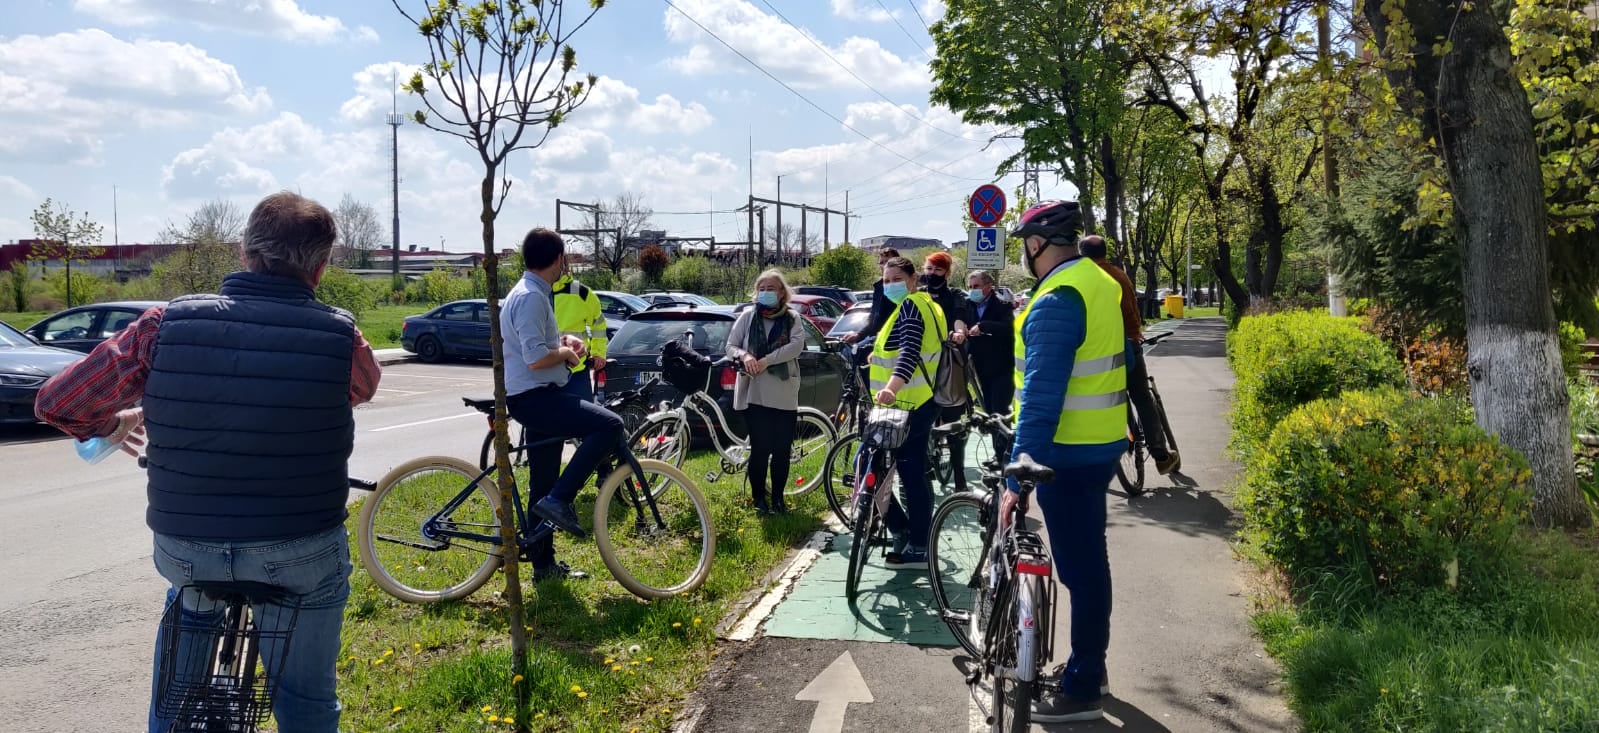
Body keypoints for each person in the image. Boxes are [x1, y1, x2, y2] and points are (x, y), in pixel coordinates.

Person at [33, 191, 383, 733]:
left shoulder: (160, 324)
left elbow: (57, 402)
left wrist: (110, 424)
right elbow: (362, 389)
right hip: (297, 546)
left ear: (244, 251)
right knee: (307, 702)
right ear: (320, 267)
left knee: (180, 668)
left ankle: (174, 709)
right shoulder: (342, 335)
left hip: (188, 545)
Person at [1001, 201, 1127, 723]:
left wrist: (1018, 472)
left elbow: (1043, 395)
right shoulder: (1100, 282)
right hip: (1098, 446)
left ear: (1035, 245)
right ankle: (1089, 667)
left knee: (1080, 568)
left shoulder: (1057, 297)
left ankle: (1081, 688)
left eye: (1023, 247)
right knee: (1088, 563)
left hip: (1065, 454)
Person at [503, 227, 625, 580]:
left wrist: (563, 341)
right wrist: (567, 353)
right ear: (558, 259)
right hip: (536, 398)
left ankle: (543, 564)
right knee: (610, 425)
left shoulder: (530, 292)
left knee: (542, 481)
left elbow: (539, 343)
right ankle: (561, 500)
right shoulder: (531, 296)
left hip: (537, 396)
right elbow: (536, 357)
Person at [868, 256, 947, 569]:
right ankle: (911, 537)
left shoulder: (912, 306)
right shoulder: (929, 305)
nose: (890, 285)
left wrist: (891, 387)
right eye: (885, 280)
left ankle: (912, 539)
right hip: (920, 401)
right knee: (912, 472)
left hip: (905, 403)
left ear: (914, 278)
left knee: (889, 469)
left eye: (896, 278)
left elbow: (910, 353)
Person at [1078, 236, 1180, 474]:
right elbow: (1131, 311)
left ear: (1082, 255)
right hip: (1124, 346)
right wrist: (1135, 334)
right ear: (1104, 252)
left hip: (1092, 351)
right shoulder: (1118, 276)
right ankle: (1161, 455)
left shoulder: (1081, 280)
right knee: (1142, 398)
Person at [725, 270, 807, 515]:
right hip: (755, 391)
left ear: (782, 292)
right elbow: (731, 346)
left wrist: (767, 360)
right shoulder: (748, 317)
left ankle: (779, 499)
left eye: (771, 288)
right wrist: (745, 355)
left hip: (783, 392)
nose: (766, 292)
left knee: (781, 449)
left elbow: (796, 346)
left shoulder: (792, 318)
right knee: (760, 449)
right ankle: (759, 498)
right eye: (762, 288)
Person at [920, 251, 973, 491]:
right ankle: (925, 467)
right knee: (920, 421)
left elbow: (960, 317)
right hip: (922, 365)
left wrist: (959, 332)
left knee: (953, 423)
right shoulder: (917, 295)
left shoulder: (955, 296)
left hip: (947, 363)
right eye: (929, 269)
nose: (932, 274)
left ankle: (960, 477)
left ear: (947, 273)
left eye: (938, 270)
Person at [965, 269, 1015, 451]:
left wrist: (984, 326)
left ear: (988, 286)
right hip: (981, 366)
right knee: (988, 410)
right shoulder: (968, 305)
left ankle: (1004, 454)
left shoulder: (1002, 304)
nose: (972, 290)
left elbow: (1009, 328)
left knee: (999, 411)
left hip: (1002, 366)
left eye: (976, 286)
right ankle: (998, 452)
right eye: (970, 287)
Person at [551, 262, 609, 401]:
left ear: (565, 267)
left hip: (575, 369)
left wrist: (598, 353)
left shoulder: (581, 292)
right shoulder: (536, 292)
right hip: (546, 369)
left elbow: (598, 323)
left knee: (582, 420)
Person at [841, 247, 901, 347]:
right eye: (882, 263)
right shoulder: (878, 287)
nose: (885, 266)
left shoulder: (903, 287)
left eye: (888, 262)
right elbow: (873, 319)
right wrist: (859, 334)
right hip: (878, 344)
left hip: (896, 345)